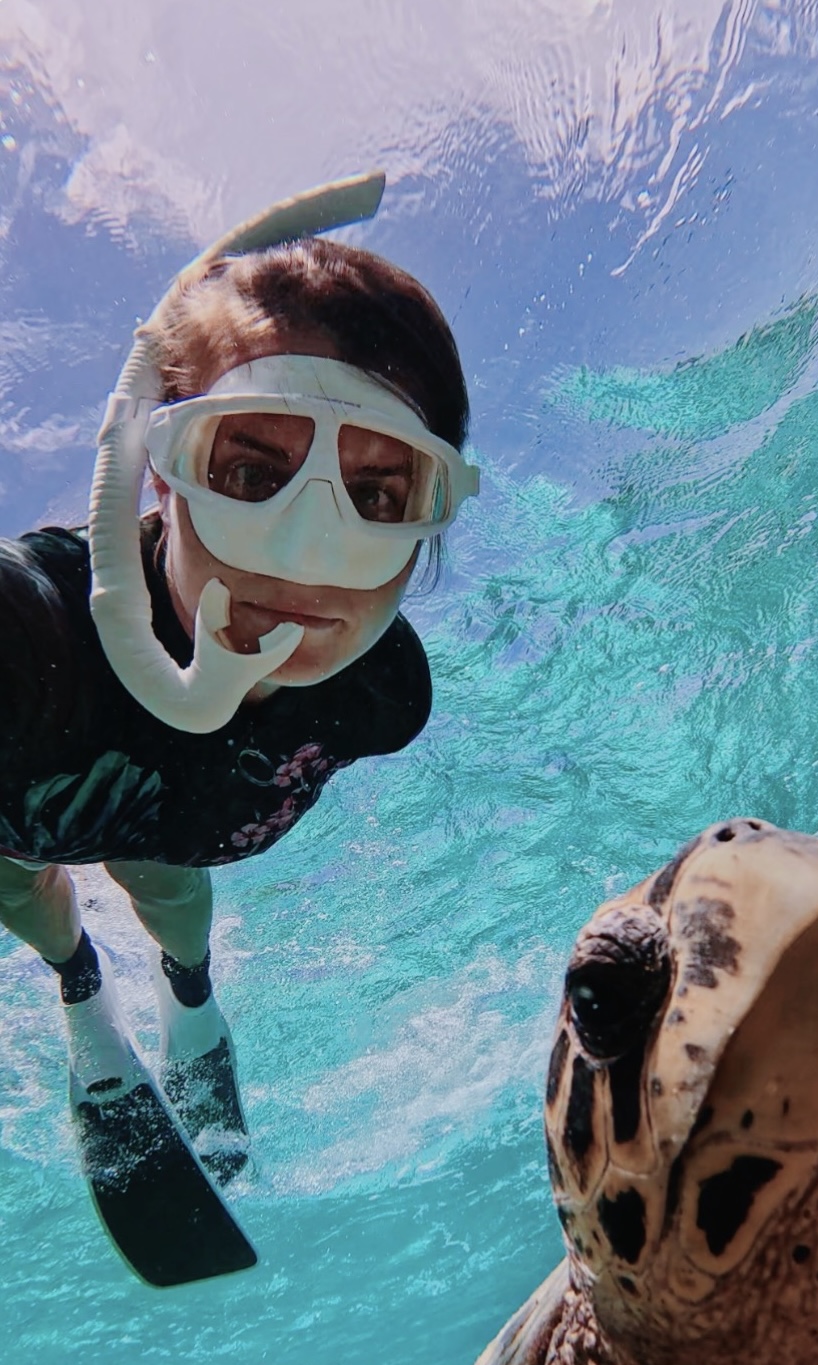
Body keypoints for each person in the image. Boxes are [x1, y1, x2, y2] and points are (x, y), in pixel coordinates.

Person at [0, 175, 478, 1283]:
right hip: (25, 807)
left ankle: (187, 981)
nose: (305, 552)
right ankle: (79, 982)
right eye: (252, 472)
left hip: (176, 828)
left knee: (163, 876)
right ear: (153, 471)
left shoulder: (380, 697)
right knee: (22, 882)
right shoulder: (33, 639)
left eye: (378, 495)